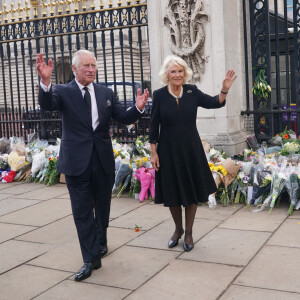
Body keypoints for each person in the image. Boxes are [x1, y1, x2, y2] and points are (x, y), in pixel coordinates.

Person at [36, 50, 149, 281]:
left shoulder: (106, 92)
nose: (91, 69)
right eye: (86, 66)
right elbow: (48, 105)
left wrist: (137, 108)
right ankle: (90, 259)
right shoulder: (62, 91)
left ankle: (101, 240)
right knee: (82, 211)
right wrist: (46, 82)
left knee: (103, 207)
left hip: (101, 159)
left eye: (93, 65)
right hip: (76, 162)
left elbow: (123, 117)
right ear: (75, 69)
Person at [149, 55, 236, 252]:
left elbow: (215, 102)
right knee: (172, 192)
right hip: (168, 150)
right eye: (173, 71)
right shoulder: (160, 95)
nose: (177, 75)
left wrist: (225, 88)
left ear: (185, 73)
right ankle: (178, 229)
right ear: (167, 74)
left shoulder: (192, 91)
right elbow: (154, 128)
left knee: (190, 192)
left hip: (190, 150)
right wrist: (154, 153)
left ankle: (188, 232)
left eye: (180, 71)